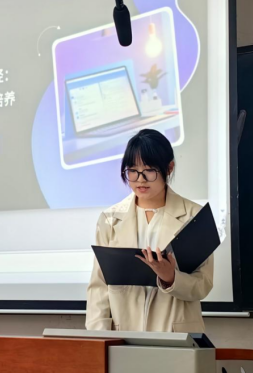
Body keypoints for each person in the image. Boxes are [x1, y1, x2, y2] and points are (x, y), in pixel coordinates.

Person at [86, 129, 214, 332]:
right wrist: (99, 336)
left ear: (169, 168)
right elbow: (99, 286)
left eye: (149, 170)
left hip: (175, 334)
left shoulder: (194, 217)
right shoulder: (109, 220)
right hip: (124, 335)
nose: (140, 179)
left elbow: (203, 284)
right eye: (132, 170)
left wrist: (171, 278)